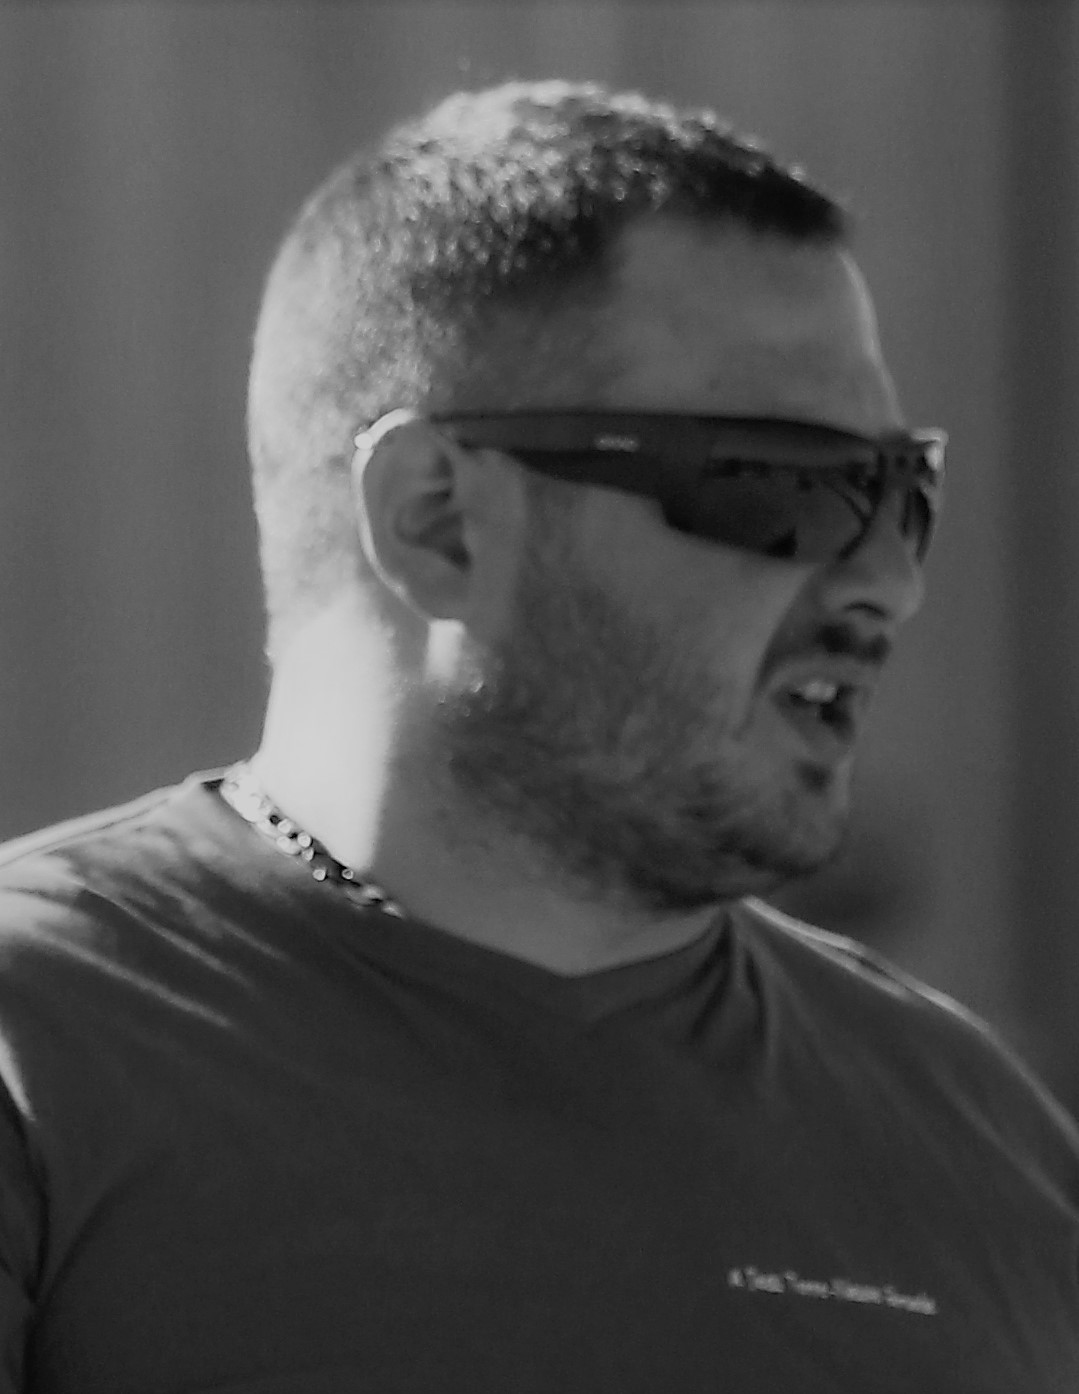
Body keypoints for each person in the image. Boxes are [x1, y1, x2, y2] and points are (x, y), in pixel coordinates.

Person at [0, 80, 1076, 1394]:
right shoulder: (43, 1050)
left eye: (903, 491)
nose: (887, 585)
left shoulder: (985, 1142)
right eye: (784, 484)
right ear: (436, 519)